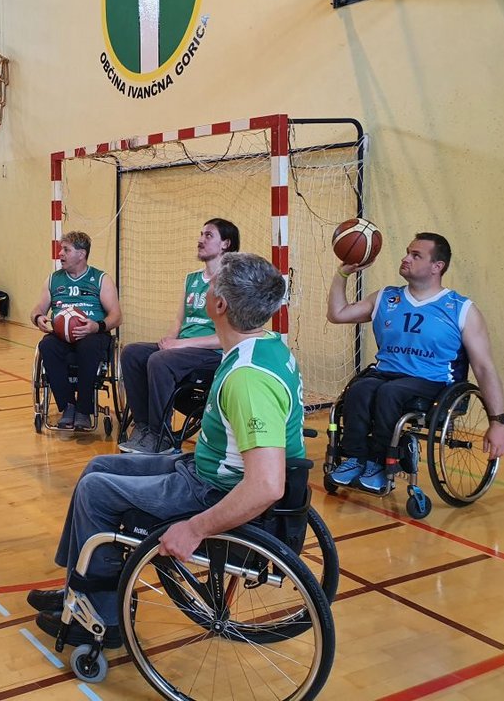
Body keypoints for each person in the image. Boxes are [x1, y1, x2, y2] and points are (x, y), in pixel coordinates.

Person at [27, 253, 304, 647]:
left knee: (95, 491)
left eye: (212, 284)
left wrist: (195, 528)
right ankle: (78, 586)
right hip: (203, 469)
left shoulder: (247, 380)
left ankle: (103, 618)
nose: (205, 287)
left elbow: (267, 485)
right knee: (98, 466)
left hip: (211, 491)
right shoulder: (266, 344)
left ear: (219, 305)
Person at [327, 232, 504, 492]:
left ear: (437, 266)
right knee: (359, 389)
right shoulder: (386, 297)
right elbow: (337, 314)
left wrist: (498, 422)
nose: (406, 258)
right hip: (386, 373)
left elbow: (484, 367)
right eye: (407, 252)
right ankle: (355, 459)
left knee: (391, 392)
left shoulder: (461, 309)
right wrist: (342, 274)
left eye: (415, 255)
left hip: (432, 381)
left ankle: (381, 463)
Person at [119, 219, 240, 453]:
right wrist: (169, 340)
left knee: (160, 360)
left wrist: (179, 345)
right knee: (132, 353)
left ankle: (160, 436)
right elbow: (179, 320)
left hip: (213, 353)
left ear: (225, 243)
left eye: (208, 235)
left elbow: (226, 337)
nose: (200, 240)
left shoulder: (231, 281)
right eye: (201, 234)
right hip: (183, 349)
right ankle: (143, 427)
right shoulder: (191, 279)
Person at [30, 231, 122, 430]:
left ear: (81, 254)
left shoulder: (101, 279)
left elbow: (116, 316)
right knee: (47, 345)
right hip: (61, 335)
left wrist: (96, 326)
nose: (60, 254)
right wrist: (38, 318)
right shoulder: (53, 280)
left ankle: (83, 409)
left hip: (92, 334)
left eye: (66, 250)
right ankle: (68, 406)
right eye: (61, 249)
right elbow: (37, 309)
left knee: (89, 346)